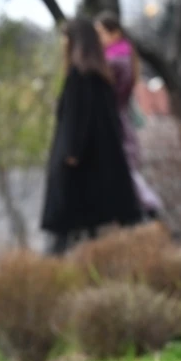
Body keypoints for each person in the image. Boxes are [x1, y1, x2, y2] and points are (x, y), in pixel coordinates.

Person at [40, 18, 143, 255]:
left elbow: (75, 120)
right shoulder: (101, 78)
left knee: (63, 233)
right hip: (100, 169)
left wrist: (71, 152)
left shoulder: (80, 78)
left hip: (78, 169)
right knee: (95, 230)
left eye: (66, 39)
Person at [95, 11, 163, 220]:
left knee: (126, 173)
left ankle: (149, 207)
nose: (98, 39)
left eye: (100, 33)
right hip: (123, 123)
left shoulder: (114, 62)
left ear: (114, 33)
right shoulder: (125, 57)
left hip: (117, 125)